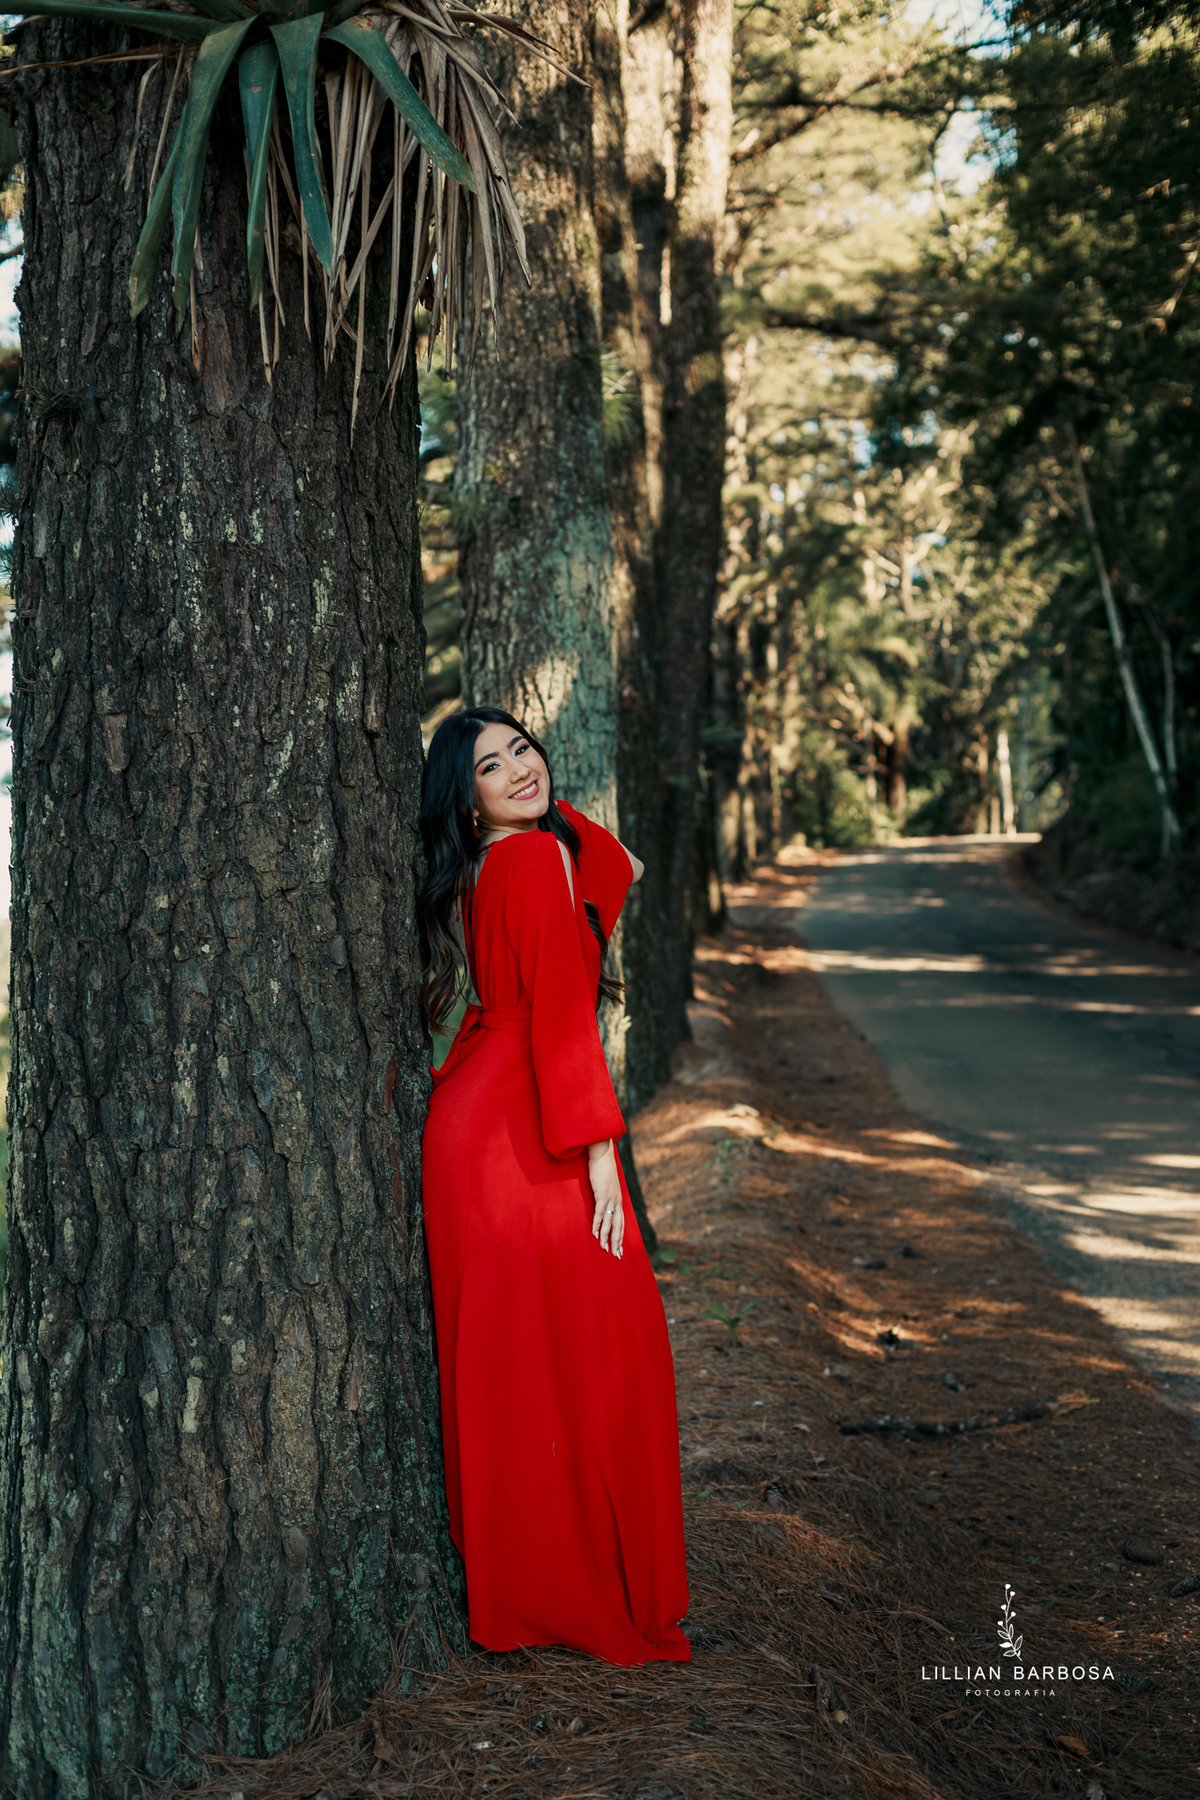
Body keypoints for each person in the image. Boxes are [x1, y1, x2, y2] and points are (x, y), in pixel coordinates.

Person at [417, 705, 690, 1665]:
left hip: (477, 1121)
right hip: (524, 1129)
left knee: (517, 1366)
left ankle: (528, 1584)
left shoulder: (496, 862)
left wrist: (535, 800)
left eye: (524, 750)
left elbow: (622, 866)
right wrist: (600, 1152)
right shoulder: (533, 860)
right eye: (491, 767)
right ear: (466, 801)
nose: (521, 769)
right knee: (601, 1348)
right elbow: (568, 1013)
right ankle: (574, 1587)